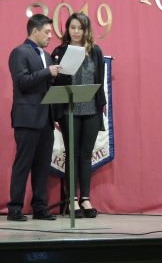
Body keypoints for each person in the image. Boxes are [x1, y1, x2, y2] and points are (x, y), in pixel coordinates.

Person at [51, 12, 106, 218]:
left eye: (80, 28)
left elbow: (99, 80)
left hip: (91, 109)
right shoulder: (60, 51)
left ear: (86, 30)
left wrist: (101, 106)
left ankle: (85, 198)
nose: (76, 31)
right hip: (69, 110)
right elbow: (55, 83)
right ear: (67, 29)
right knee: (72, 155)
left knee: (86, 155)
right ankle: (71, 199)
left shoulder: (95, 51)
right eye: (72, 27)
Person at [7, 14, 61, 221]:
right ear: (35, 31)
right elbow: (22, 82)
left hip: (45, 118)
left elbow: (47, 86)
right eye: (46, 32)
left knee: (42, 166)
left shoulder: (47, 56)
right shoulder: (19, 52)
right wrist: (48, 72)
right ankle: (14, 208)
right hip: (27, 117)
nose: (50, 36)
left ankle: (40, 207)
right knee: (23, 164)